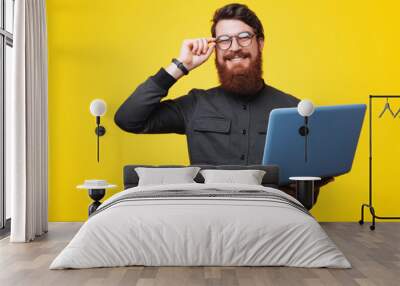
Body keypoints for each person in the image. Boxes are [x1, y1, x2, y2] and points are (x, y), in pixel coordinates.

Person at [114, 3, 333, 201]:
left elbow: (316, 176)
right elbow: (128, 119)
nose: (235, 47)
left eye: (244, 36)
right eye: (224, 41)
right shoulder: (195, 104)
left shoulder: (294, 110)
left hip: (272, 216)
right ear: (216, 49)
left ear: (260, 42)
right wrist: (180, 65)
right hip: (207, 215)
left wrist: (295, 189)